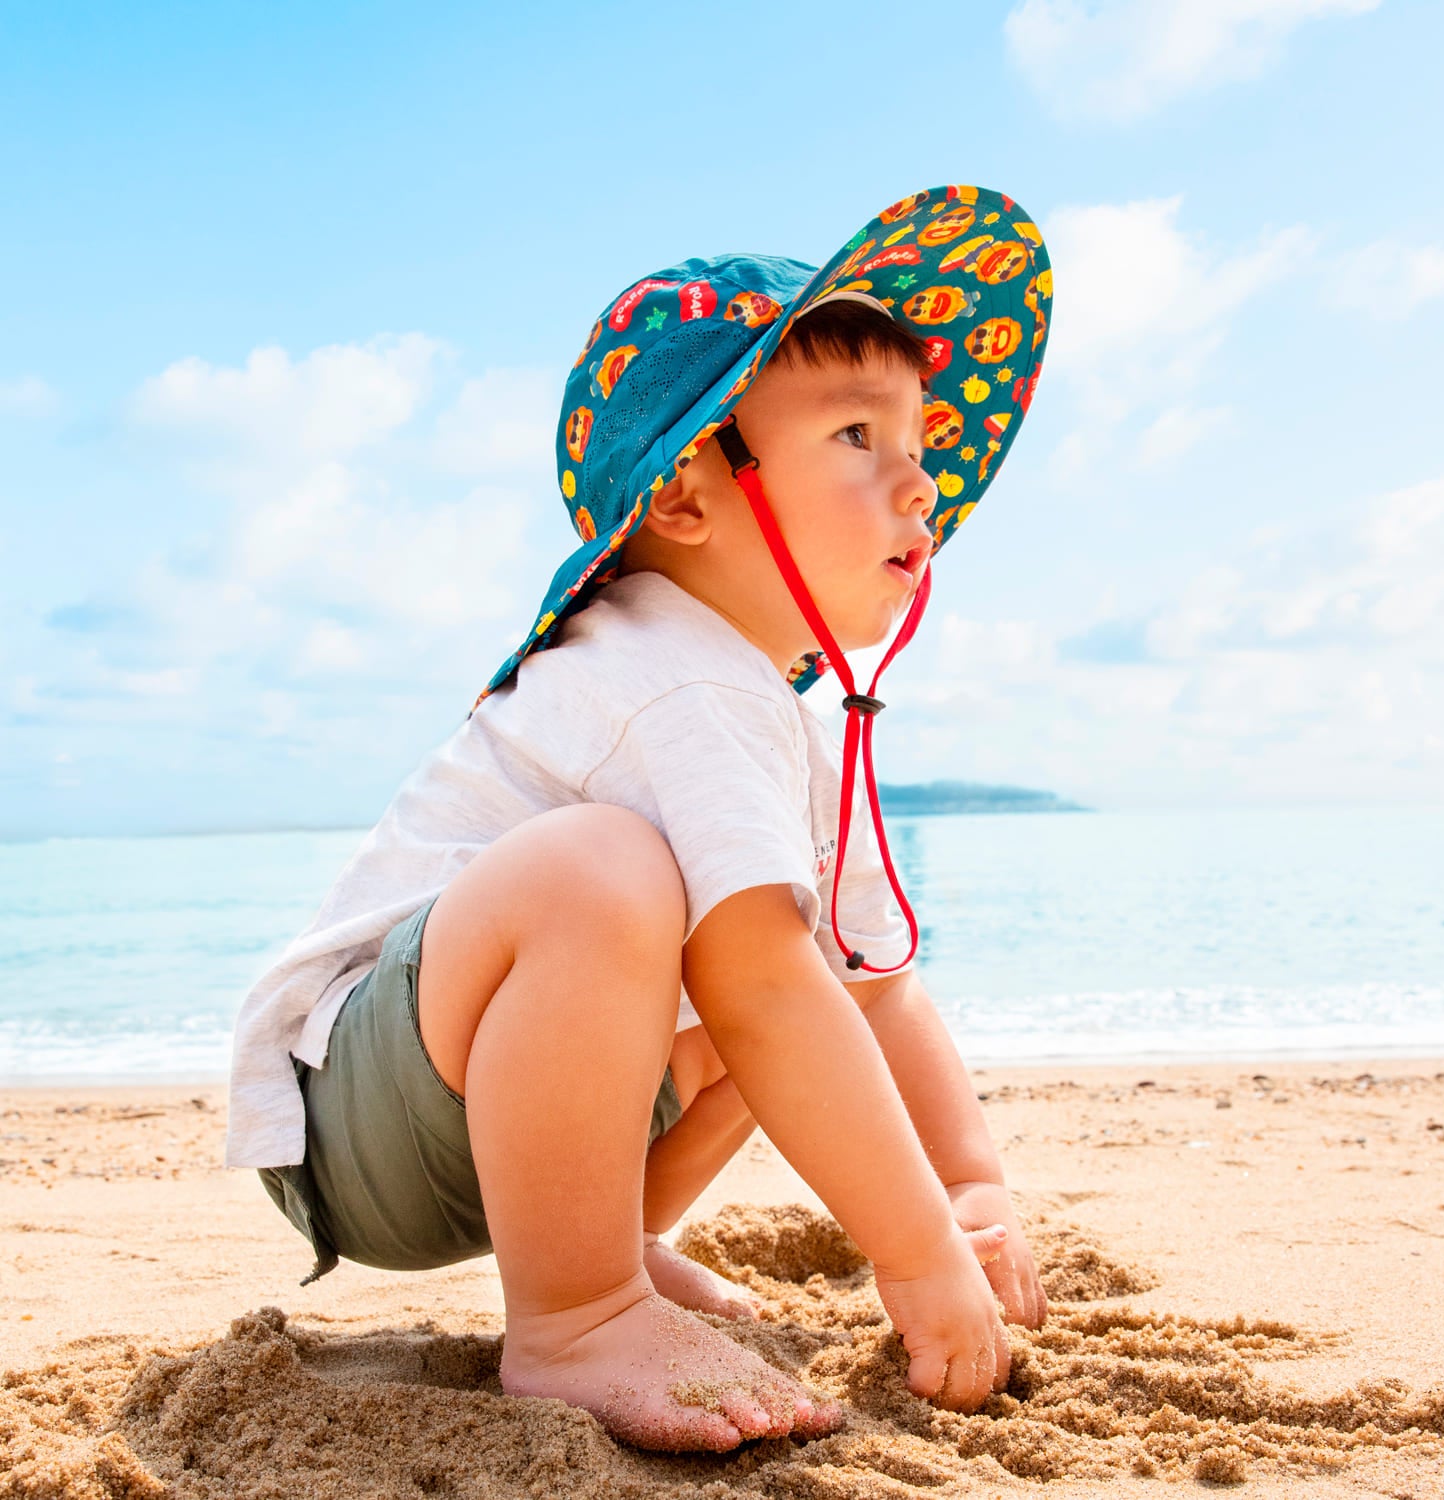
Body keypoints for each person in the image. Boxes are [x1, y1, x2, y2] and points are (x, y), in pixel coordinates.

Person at [228, 183, 1055, 1453]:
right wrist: (920, 1262)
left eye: (924, 442)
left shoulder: (784, 710)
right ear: (684, 494)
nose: (916, 482)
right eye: (854, 435)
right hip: (361, 1120)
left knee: (794, 948)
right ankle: (575, 1313)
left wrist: (967, 1192)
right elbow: (770, 995)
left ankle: (604, 1245)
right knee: (613, 877)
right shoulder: (671, 674)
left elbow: (877, 988)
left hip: (491, 1113)